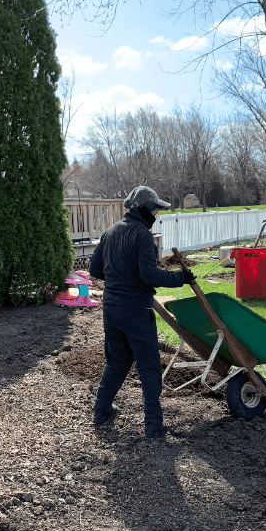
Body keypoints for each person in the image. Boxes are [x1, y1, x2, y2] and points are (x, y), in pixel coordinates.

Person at [88, 186, 195, 438]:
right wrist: (181, 277)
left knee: (117, 362)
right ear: (144, 209)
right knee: (148, 366)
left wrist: (120, 275)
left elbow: (95, 270)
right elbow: (149, 275)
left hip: (111, 310)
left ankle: (101, 410)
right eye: (155, 208)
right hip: (136, 310)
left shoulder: (109, 233)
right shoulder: (142, 236)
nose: (157, 213)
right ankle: (154, 425)